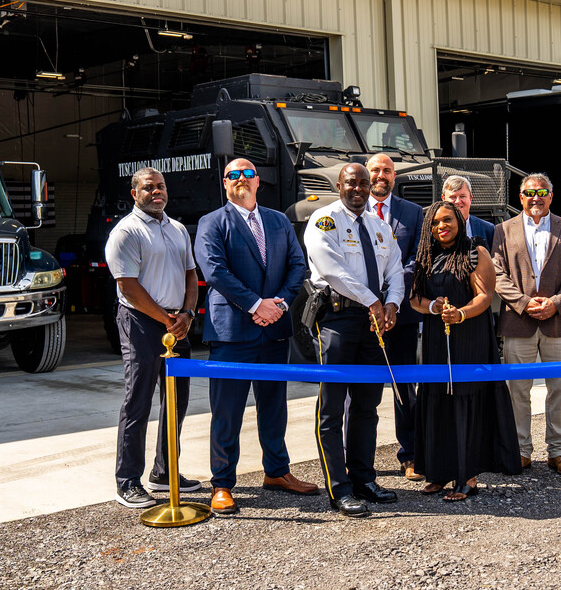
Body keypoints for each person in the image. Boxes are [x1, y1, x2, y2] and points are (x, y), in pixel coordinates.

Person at [194, 158, 317, 515]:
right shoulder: (212, 222)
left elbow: (298, 265)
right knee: (227, 411)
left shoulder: (278, 221)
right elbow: (214, 270)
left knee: (274, 407)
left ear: (258, 181)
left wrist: (279, 304)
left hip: (274, 328)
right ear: (225, 183)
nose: (241, 179)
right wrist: (255, 305)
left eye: (248, 173)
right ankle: (222, 483)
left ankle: (277, 472)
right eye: (233, 174)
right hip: (233, 332)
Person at [304, 163, 405, 518]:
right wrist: (373, 301)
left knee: (367, 405)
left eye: (364, 182)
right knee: (332, 408)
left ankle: (364, 479)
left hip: (373, 322)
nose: (359, 188)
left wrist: (392, 303)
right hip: (338, 320)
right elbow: (332, 270)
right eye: (351, 183)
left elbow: (395, 269)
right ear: (339, 185)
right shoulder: (324, 220)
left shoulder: (379, 226)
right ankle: (340, 489)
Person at [409, 201, 521, 500]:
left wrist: (460, 314)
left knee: (465, 399)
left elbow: (485, 295)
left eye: (447, 220)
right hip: (436, 337)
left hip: (470, 336)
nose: (441, 227)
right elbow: (415, 299)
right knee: (437, 399)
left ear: (459, 220)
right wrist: (433, 307)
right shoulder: (426, 254)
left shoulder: (474, 251)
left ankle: (467, 475)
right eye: (434, 223)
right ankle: (438, 472)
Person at [105, 167, 201, 508]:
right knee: (139, 400)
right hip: (141, 323)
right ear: (135, 194)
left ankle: (164, 471)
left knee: (177, 400)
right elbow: (128, 286)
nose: (156, 192)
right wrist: (166, 318)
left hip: (176, 322)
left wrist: (187, 314)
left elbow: (191, 275)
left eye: (161, 186)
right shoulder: (126, 232)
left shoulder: (177, 229)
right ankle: (127, 481)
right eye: (149, 187)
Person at [492, 173, 561, 476]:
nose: (536, 197)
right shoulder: (502, 230)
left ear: (551, 196)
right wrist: (523, 302)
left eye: (542, 192)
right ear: (520, 197)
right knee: (517, 389)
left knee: (559, 389)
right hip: (518, 321)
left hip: (558, 321)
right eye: (530, 193)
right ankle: (520, 450)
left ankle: (558, 451)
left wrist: (556, 303)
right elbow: (497, 274)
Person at [366, 153, 425, 482]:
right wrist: (371, 298)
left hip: (401, 315)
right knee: (364, 389)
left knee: (405, 389)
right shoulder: (350, 211)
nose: (380, 175)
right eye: (375, 169)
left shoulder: (413, 213)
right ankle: (360, 459)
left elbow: (417, 258)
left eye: (386, 170)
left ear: (394, 175)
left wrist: (391, 296)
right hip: (364, 314)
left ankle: (411, 455)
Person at [441, 175, 495, 251]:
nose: (458, 201)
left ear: (470, 198)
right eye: (453, 197)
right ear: (443, 199)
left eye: (462, 196)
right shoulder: (436, 230)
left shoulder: (488, 230)